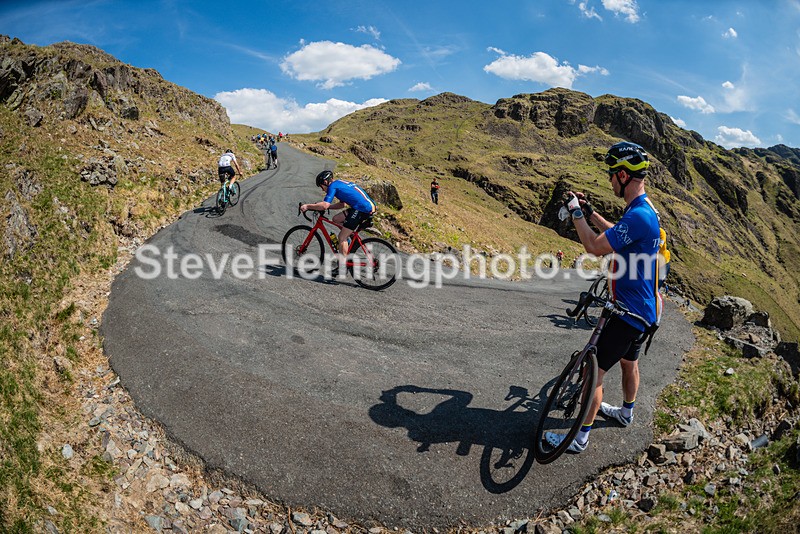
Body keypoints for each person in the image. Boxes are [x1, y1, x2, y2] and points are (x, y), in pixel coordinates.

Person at [547, 141, 662, 453]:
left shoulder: (638, 216)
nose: (610, 180)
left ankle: (578, 438)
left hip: (627, 313)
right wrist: (592, 213)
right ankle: (626, 413)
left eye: (613, 174)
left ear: (624, 175)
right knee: (629, 363)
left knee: (592, 375)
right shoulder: (644, 210)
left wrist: (575, 214)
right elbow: (619, 236)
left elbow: (595, 247)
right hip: (645, 312)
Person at [300, 170, 377, 274]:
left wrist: (307, 206)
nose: (322, 190)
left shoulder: (332, 186)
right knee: (336, 219)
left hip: (362, 208)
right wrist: (326, 207)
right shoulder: (339, 183)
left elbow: (325, 205)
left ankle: (343, 266)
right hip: (364, 206)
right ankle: (348, 241)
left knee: (341, 237)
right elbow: (342, 205)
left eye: (321, 186)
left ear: (325, 182)